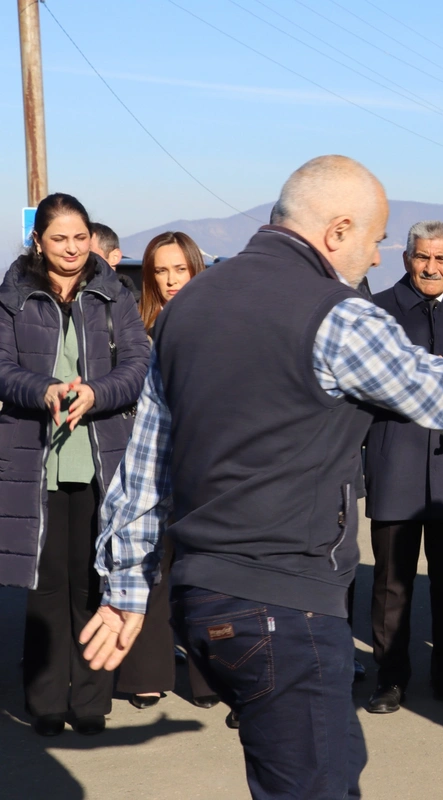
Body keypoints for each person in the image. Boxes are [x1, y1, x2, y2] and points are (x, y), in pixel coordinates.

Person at [79, 155, 443, 800]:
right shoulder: (337, 315)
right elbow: (440, 392)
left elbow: (146, 461)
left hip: (203, 598)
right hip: (283, 602)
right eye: (374, 241)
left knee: (330, 768)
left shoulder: (190, 306)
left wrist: (126, 586)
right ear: (338, 230)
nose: (375, 259)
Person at [0, 193, 150, 737]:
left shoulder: (115, 294)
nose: (70, 248)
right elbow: (2, 367)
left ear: (92, 239)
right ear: (38, 240)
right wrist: (43, 390)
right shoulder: (12, 297)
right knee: (45, 587)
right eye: (58, 238)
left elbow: (138, 363)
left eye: (80, 237)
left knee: (95, 582)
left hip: (101, 459)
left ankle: (90, 701)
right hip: (35, 460)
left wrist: (97, 391)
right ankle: (44, 702)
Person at [364, 221, 443, 713]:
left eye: (442, 259)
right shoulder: (375, 313)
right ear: (407, 258)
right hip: (394, 459)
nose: (432, 267)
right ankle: (390, 677)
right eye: (423, 257)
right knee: (392, 581)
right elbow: (376, 386)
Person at [114, 231, 217, 711]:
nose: (172, 279)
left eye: (180, 268)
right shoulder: (137, 329)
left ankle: (207, 677)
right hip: (149, 461)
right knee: (149, 562)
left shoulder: (220, 323)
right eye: (161, 270)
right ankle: (146, 673)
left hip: (204, 462)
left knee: (202, 572)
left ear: (195, 268)